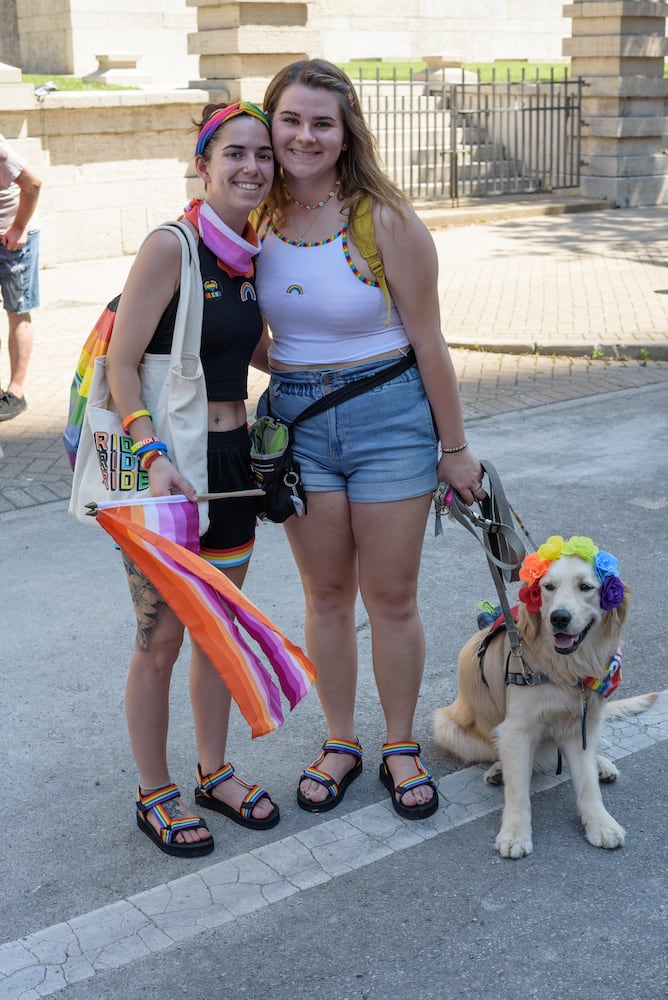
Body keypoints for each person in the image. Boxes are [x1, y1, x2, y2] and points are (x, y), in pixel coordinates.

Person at [254, 59, 484, 821]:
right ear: (271, 121)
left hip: (390, 418)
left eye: (322, 121)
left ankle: (398, 745)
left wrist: (454, 449)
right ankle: (341, 740)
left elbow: (429, 340)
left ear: (346, 129)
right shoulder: (254, 214)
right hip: (299, 427)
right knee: (324, 596)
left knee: (390, 598)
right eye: (291, 119)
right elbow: (250, 332)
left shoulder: (384, 217)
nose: (304, 136)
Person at [105, 102, 278, 857]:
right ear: (203, 164)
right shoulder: (170, 248)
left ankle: (215, 771)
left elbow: (265, 352)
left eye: (263, 155)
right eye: (234, 153)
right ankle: (154, 791)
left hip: (233, 468)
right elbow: (119, 361)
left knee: (218, 635)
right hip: (167, 474)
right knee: (162, 640)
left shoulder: (250, 252)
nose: (251, 167)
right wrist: (149, 454)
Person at [0, 134, 42, 421]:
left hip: (13, 237)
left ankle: (15, 392)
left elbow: (33, 182)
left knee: (17, 310)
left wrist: (19, 227)